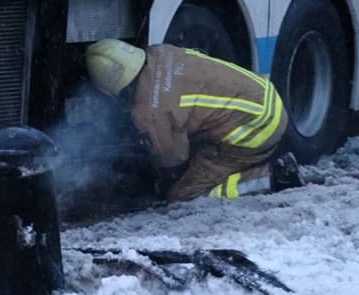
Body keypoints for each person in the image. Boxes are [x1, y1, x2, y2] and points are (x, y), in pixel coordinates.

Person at [84, 39, 302, 202]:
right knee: (203, 151)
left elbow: (175, 161)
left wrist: (155, 174)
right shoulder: (161, 53)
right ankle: (256, 163)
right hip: (266, 95)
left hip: (258, 126)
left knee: (186, 194)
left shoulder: (149, 114)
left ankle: (272, 177)